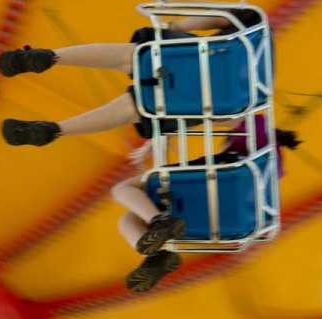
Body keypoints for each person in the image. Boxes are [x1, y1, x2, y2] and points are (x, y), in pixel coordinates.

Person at [0, 8, 263, 146]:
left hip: (192, 57)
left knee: (131, 56)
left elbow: (219, 18)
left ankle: (53, 56)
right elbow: (229, 118)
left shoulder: (259, 26)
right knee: (135, 108)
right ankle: (55, 130)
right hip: (196, 99)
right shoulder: (256, 97)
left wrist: (178, 27)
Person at [111, 118, 302, 292]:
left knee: (122, 188)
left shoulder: (257, 124)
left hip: (218, 185)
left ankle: (160, 223)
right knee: (129, 218)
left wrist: (154, 141)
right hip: (231, 216)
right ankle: (158, 253)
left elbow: (198, 116)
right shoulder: (273, 171)